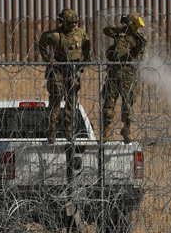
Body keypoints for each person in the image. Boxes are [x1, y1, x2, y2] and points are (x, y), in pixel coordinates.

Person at [38, 8, 91, 144]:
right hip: (58, 71)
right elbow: (42, 43)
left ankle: (69, 131)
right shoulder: (55, 35)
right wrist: (49, 60)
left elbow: (87, 46)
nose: (74, 25)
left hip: (72, 71)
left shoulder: (80, 33)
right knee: (55, 102)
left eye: (76, 22)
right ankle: (52, 131)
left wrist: (85, 62)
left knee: (71, 102)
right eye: (71, 22)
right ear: (64, 22)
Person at [101, 13, 147, 143]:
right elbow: (106, 30)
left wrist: (135, 35)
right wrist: (120, 29)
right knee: (109, 102)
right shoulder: (119, 35)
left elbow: (141, 48)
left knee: (127, 104)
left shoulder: (137, 37)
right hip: (113, 74)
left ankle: (127, 129)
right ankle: (107, 129)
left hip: (128, 75)